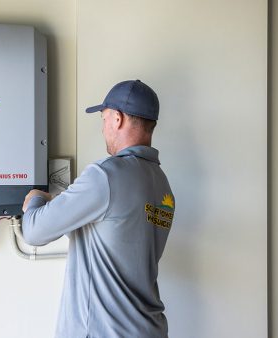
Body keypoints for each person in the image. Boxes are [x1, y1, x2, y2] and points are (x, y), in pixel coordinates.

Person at [21, 79, 175, 338]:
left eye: (103, 119)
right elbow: (113, 235)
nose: (103, 128)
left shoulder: (106, 175)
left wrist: (36, 198)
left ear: (117, 118)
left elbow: (35, 232)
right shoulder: (162, 186)